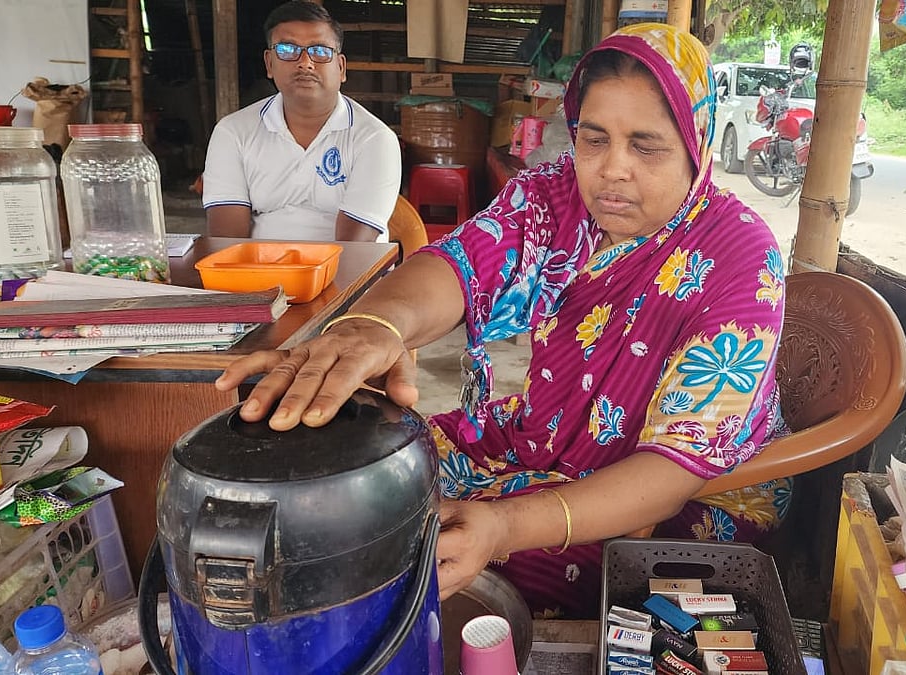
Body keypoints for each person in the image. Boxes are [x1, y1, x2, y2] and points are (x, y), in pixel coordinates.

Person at [216, 23, 789, 618]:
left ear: (697, 142)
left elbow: (673, 469)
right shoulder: (557, 194)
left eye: (646, 147)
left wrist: (502, 525)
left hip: (679, 497)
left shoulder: (739, 253)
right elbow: (464, 263)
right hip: (543, 439)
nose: (612, 169)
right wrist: (375, 326)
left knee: (427, 561)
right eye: (594, 140)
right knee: (375, 477)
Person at [201, 0, 400, 242]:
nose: (305, 62)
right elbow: (227, 242)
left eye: (320, 51)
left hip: (350, 275)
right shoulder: (232, 132)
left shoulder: (374, 139)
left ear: (341, 67)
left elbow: (355, 249)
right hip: (257, 273)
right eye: (287, 50)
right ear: (269, 63)